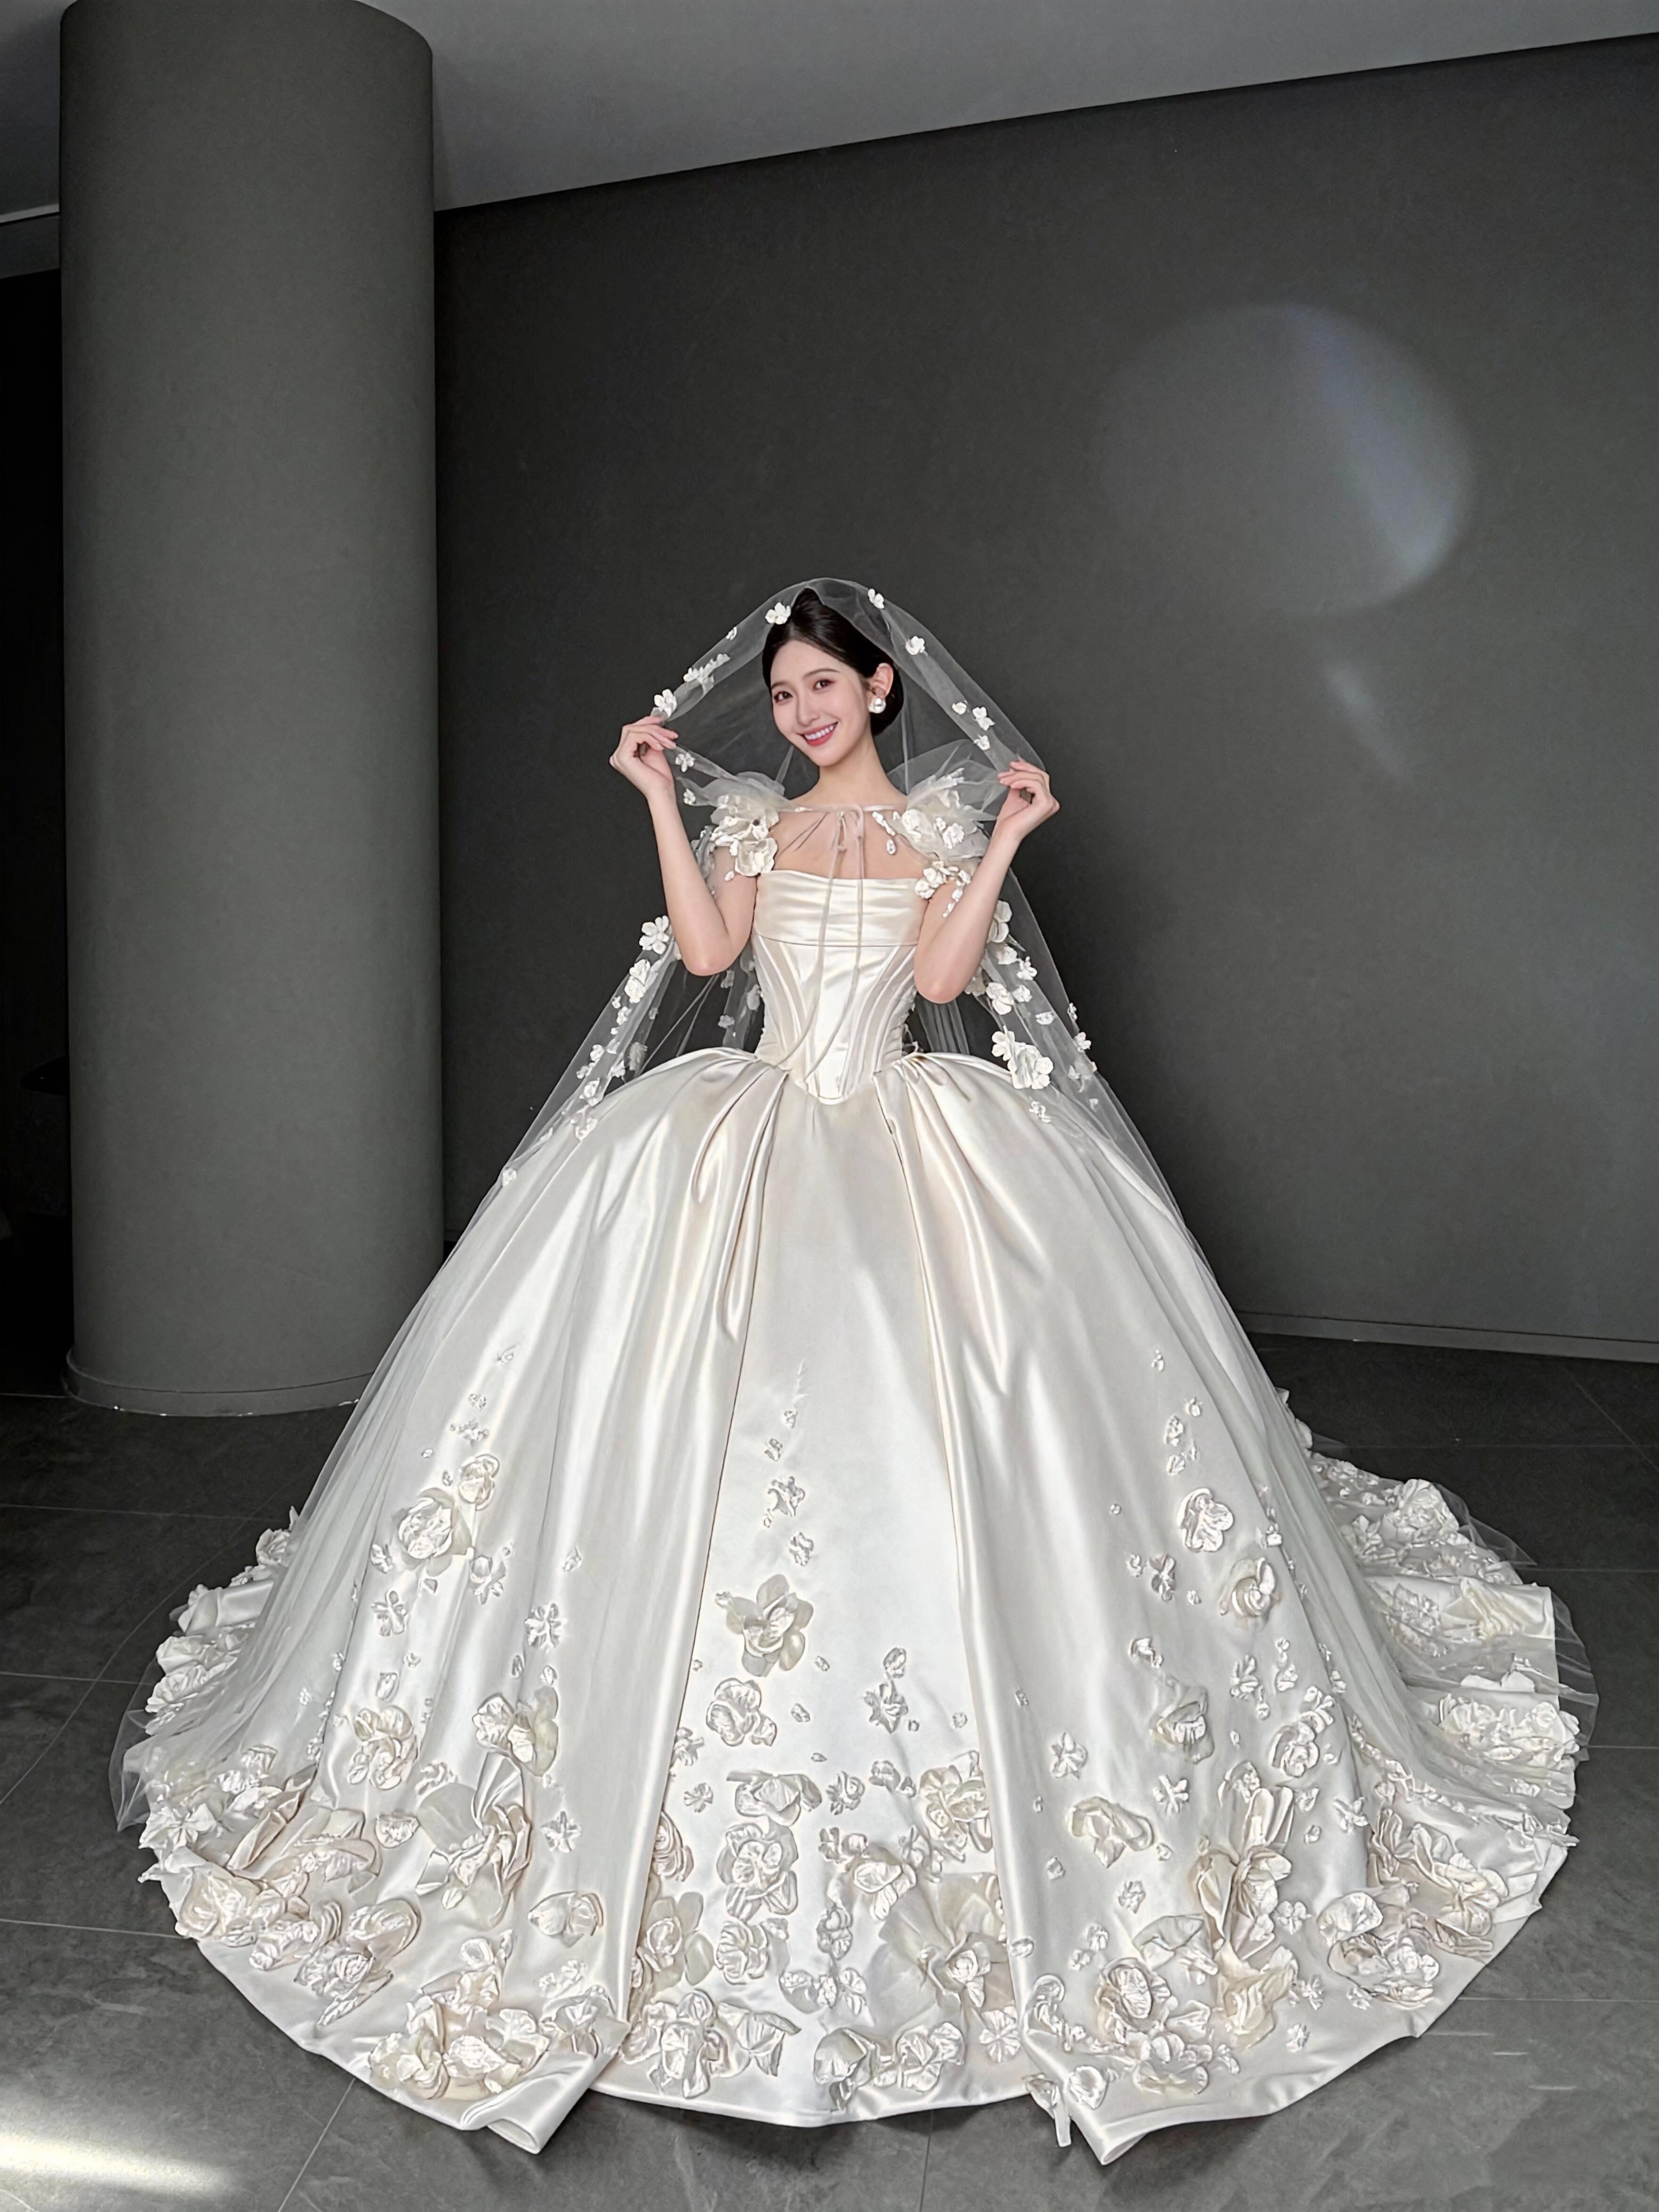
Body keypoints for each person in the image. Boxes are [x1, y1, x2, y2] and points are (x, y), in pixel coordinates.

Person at [113, 580, 1594, 2164]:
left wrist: (1009, 840)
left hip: (903, 1129)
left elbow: (945, 989)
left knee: (968, 1431)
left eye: (826, 686)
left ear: (883, 690)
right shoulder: (755, 821)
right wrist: (656, 801)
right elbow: (707, 951)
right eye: (787, 692)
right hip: (742, 1125)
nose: (804, 712)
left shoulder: (941, 825)